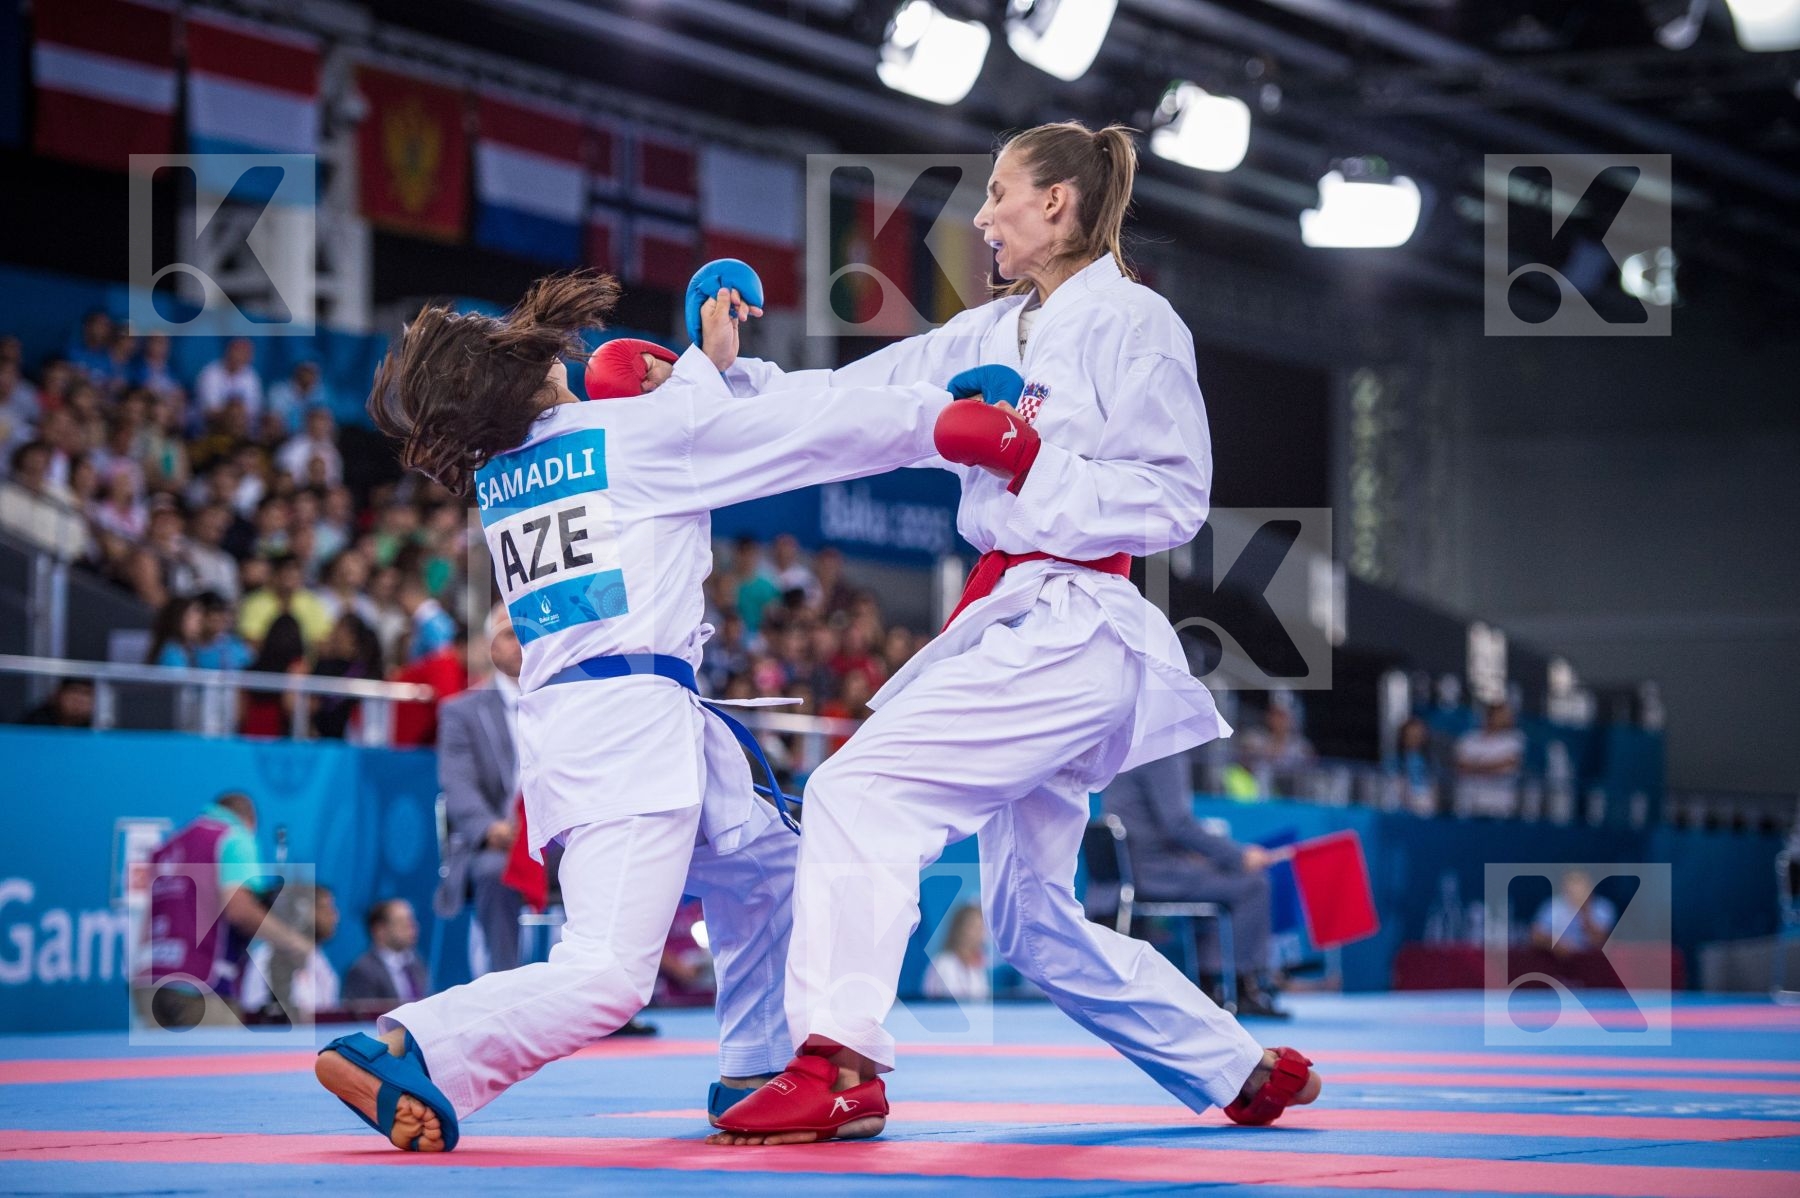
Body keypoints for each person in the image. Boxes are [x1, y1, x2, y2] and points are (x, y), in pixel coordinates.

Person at [713, 123, 1320, 1146]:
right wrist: (724, 384)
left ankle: (839, 1063)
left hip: (1076, 625)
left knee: (859, 792)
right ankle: (1238, 1067)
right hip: (1016, 625)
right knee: (1031, 919)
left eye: (999, 193)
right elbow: (853, 401)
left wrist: (1034, 463)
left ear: (1057, 203)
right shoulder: (986, 333)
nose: (984, 215)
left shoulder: (1137, 322)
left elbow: (1176, 500)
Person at [313, 266, 965, 1154]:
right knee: (609, 976)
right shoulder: (624, 437)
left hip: (605, 722)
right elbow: (805, 434)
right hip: (627, 731)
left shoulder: (509, 474)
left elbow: (667, 442)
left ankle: (756, 1067)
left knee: (770, 868)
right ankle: (409, 1045)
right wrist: (946, 419)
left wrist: (704, 367)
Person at [1101, 750, 1289, 1018]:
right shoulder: (1163, 753)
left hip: (1138, 871)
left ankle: (1211, 984)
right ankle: (1237, 989)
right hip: (1157, 874)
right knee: (1253, 885)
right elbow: (1178, 825)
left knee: (1219, 877)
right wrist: (1239, 857)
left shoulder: (1132, 750)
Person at [133, 792, 311, 1028]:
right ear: (250, 822)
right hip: (200, 985)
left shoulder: (168, 847)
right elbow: (238, 909)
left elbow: (146, 921)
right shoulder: (233, 837)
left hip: (148, 981)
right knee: (222, 1052)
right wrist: (293, 942)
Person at [435, 604, 529, 974]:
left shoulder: (565, 704)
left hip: (555, 840)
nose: (521, 643)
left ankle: (602, 988)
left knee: (602, 861)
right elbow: (457, 785)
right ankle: (505, 985)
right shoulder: (461, 712)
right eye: (509, 635)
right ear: (491, 647)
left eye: (527, 633)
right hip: (499, 841)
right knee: (495, 871)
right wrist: (492, 829)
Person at [240, 883, 342, 1020]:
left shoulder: (320, 960)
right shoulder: (267, 957)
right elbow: (258, 1017)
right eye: (325, 908)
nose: (334, 916)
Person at [342, 899, 430, 1012]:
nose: (412, 927)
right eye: (401, 921)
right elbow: (363, 1018)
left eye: (411, 920)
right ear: (380, 930)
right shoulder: (363, 970)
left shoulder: (416, 963)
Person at [1454, 701, 1525, 818]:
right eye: (1502, 715)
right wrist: (1490, 766)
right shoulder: (1468, 738)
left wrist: (1475, 767)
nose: (1506, 719)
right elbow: (1460, 765)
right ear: (1490, 716)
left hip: (1499, 802)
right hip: (1469, 799)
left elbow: (1508, 765)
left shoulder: (1514, 740)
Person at [922, 904, 990, 1003]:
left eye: (981, 928)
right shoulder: (944, 963)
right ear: (959, 930)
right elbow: (949, 1003)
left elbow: (982, 1001)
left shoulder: (976, 968)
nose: (980, 934)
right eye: (974, 927)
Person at [194, 338, 264, 423]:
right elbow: (210, 410)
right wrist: (233, 413)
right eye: (238, 351)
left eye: (246, 352)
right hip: (211, 424)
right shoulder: (210, 373)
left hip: (243, 424)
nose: (241, 356)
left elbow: (254, 410)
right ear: (228, 351)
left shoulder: (251, 376)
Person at [146, 596, 205, 668]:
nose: (199, 624)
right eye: (193, 619)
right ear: (178, 619)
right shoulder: (171, 653)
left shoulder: (188, 650)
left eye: (199, 619)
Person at [17, 678, 95, 728]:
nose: (78, 700)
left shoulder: (96, 726)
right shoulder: (35, 722)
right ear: (57, 695)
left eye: (86, 693)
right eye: (74, 691)